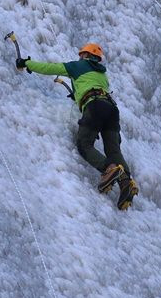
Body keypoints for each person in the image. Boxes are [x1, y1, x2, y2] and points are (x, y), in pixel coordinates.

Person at [17, 42, 139, 210]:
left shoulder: (78, 66)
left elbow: (49, 68)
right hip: (111, 109)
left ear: (86, 55)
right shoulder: (102, 74)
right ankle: (126, 182)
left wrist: (26, 63)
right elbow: (87, 86)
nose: (80, 57)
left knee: (83, 144)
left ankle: (109, 169)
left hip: (94, 106)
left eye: (82, 54)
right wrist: (77, 95)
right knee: (113, 150)